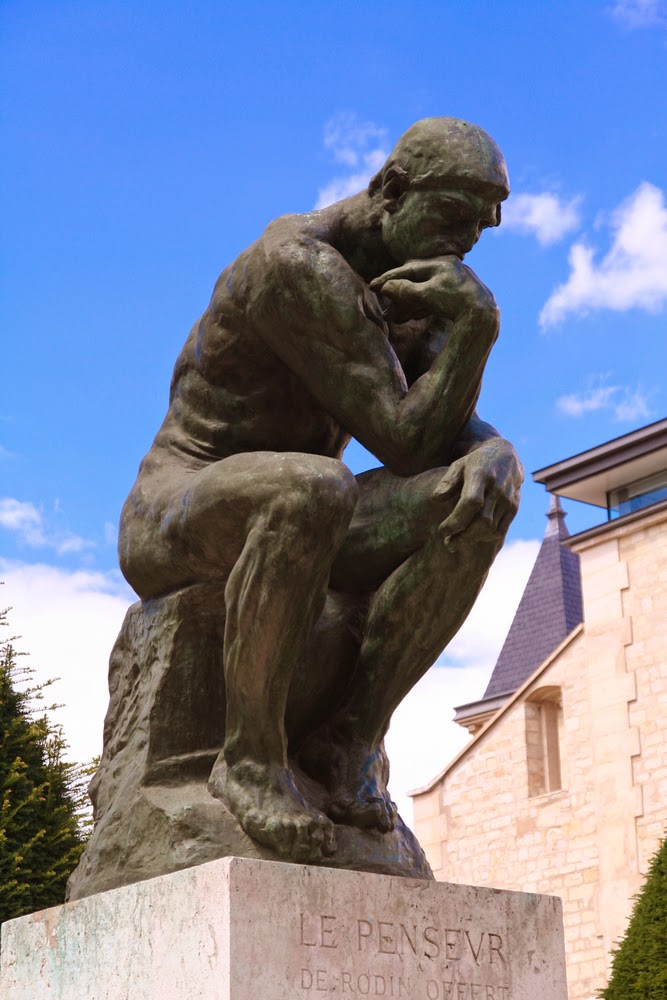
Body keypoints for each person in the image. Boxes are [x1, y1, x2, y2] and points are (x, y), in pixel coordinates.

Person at [118, 117, 523, 863]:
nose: (468, 239)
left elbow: (446, 433)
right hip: (180, 505)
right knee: (313, 487)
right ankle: (250, 762)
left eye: (482, 223)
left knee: (473, 498)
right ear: (391, 190)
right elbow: (404, 439)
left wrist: (495, 454)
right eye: (453, 214)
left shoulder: (420, 280)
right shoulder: (296, 264)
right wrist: (478, 326)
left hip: (312, 514)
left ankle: (350, 739)